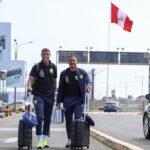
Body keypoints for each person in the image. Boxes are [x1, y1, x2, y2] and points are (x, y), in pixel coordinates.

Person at [56, 55, 91, 148]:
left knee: (78, 119)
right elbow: (60, 88)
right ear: (68, 62)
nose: (72, 62)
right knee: (68, 121)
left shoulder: (82, 72)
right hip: (67, 100)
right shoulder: (64, 73)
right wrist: (58, 100)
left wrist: (88, 87)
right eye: (70, 61)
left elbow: (88, 81)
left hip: (79, 100)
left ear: (76, 62)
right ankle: (70, 140)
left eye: (73, 61)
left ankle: (78, 140)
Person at [27, 48, 57, 149]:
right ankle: (39, 140)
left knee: (48, 119)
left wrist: (54, 95)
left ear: (50, 55)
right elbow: (30, 78)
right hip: (38, 96)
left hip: (49, 97)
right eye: (44, 54)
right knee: (40, 117)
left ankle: (44, 139)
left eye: (47, 54)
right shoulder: (36, 66)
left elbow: (54, 81)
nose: (46, 56)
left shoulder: (53, 67)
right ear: (41, 55)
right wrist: (29, 86)